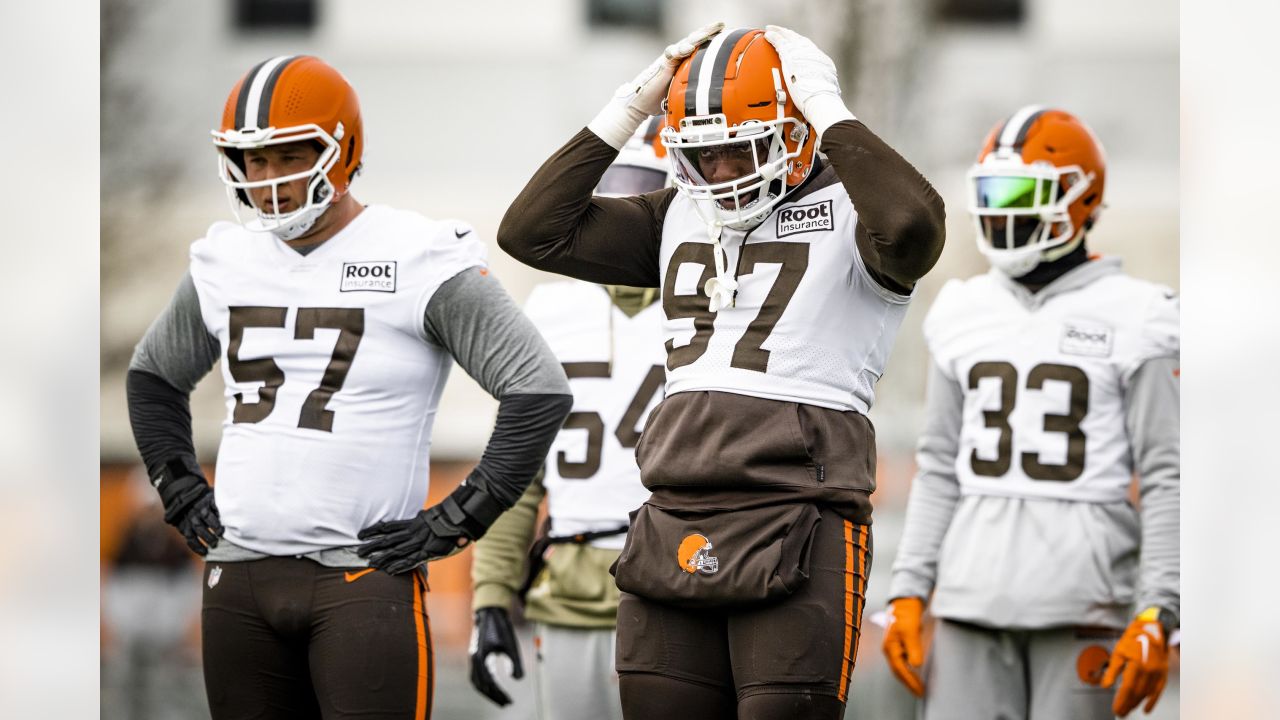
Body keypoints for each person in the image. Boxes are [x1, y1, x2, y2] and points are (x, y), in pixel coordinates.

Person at [498, 23, 945, 720]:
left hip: (800, 511)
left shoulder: (859, 215)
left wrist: (827, 106)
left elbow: (914, 226)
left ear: (796, 131)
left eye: (739, 150)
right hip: (674, 510)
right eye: (702, 157)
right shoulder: (675, 214)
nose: (722, 175)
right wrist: (631, 106)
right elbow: (532, 231)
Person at [125, 54, 572, 720]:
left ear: (342, 151)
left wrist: (462, 516)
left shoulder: (417, 254)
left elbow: (537, 390)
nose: (268, 180)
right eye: (253, 160)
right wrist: (177, 486)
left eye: (287, 156)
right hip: (238, 581)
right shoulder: (226, 259)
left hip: (361, 580)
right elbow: (153, 376)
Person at [881, 106, 1179, 720]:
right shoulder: (963, 309)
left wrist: (1161, 609)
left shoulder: (1139, 314)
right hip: (968, 603)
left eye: (1020, 192)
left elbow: (1168, 474)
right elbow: (939, 466)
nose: (1001, 210)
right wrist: (909, 590)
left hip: (1082, 606)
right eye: (990, 193)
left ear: (1078, 197)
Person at [468, 121, 671, 720]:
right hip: (568, 589)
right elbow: (517, 471)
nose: (617, 213)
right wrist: (490, 598)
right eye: (607, 193)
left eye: (639, 193)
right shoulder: (551, 309)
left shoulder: (706, 300)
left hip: (678, 589)